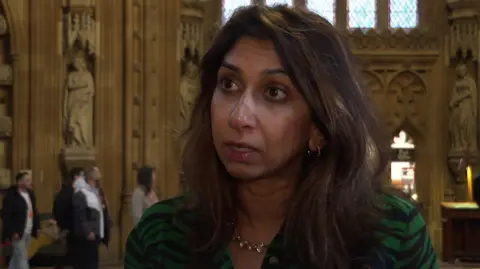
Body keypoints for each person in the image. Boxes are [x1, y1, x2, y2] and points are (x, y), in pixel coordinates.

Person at [125, 5, 439, 269]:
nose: (239, 116)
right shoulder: (160, 237)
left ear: (319, 126)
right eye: (229, 84)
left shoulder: (392, 233)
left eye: (274, 92)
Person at [1, 171, 40, 269]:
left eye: (30, 180)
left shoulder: (31, 194)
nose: (30, 182)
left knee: (17, 256)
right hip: (18, 232)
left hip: (28, 230)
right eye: (27, 180)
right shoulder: (11, 196)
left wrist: (37, 227)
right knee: (23, 257)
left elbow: (34, 211)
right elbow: (6, 216)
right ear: (19, 182)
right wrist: (12, 231)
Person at [71, 166, 108, 269]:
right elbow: (81, 214)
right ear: (91, 175)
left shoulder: (95, 191)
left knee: (93, 261)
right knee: (88, 263)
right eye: (97, 171)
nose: (100, 173)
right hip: (88, 234)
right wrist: (88, 231)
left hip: (96, 231)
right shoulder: (82, 193)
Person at [52, 167, 84, 269]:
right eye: (83, 176)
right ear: (76, 177)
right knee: (74, 255)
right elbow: (59, 210)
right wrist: (65, 227)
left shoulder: (75, 191)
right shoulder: (68, 192)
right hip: (71, 229)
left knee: (74, 255)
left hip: (76, 229)